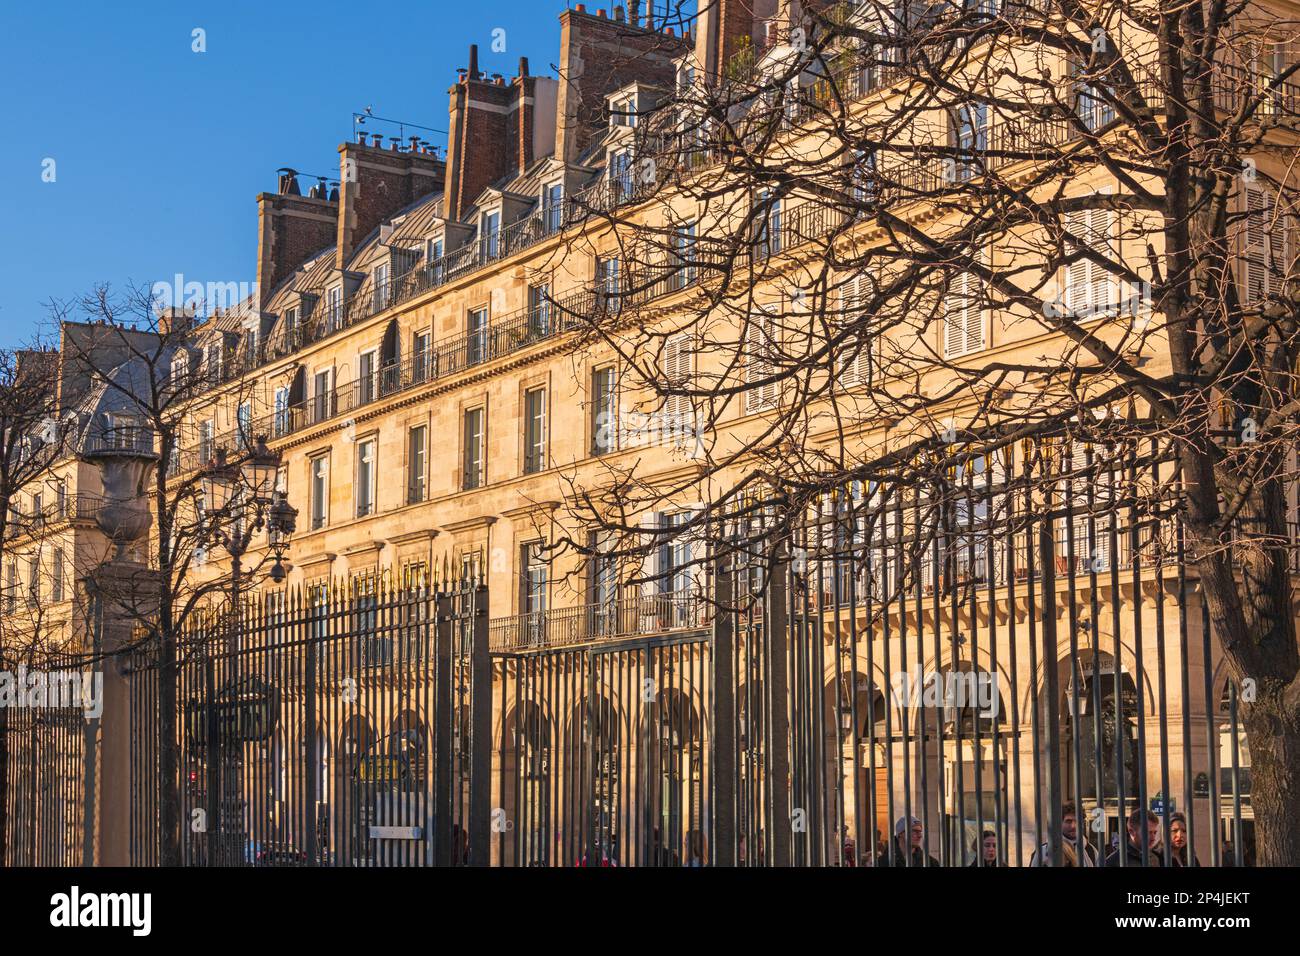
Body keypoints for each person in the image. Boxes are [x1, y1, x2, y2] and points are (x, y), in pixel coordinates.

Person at [1030, 802, 1098, 866]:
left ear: (1083, 824)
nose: (1073, 826)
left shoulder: (1091, 851)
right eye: (1068, 821)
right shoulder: (1042, 851)